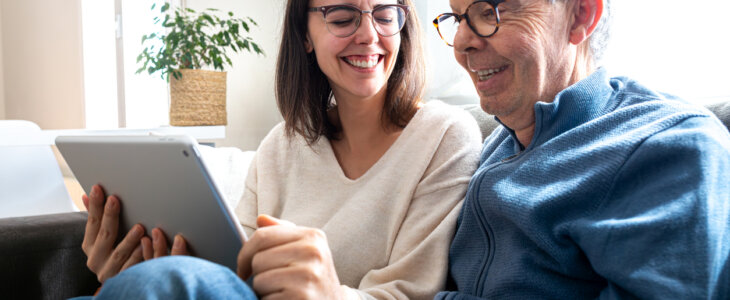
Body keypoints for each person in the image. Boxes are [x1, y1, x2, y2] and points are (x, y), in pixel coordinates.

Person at [77, 0, 482, 299]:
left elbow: (412, 292)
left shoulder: (445, 137)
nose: (368, 34)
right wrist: (138, 266)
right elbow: (230, 269)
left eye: (384, 14)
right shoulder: (282, 145)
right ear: (305, 36)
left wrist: (328, 293)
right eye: (342, 17)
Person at [431, 0, 730, 298]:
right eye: (457, 19)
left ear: (580, 17)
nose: (461, 43)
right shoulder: (497, 143)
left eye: (489, 12)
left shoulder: (673, 148)